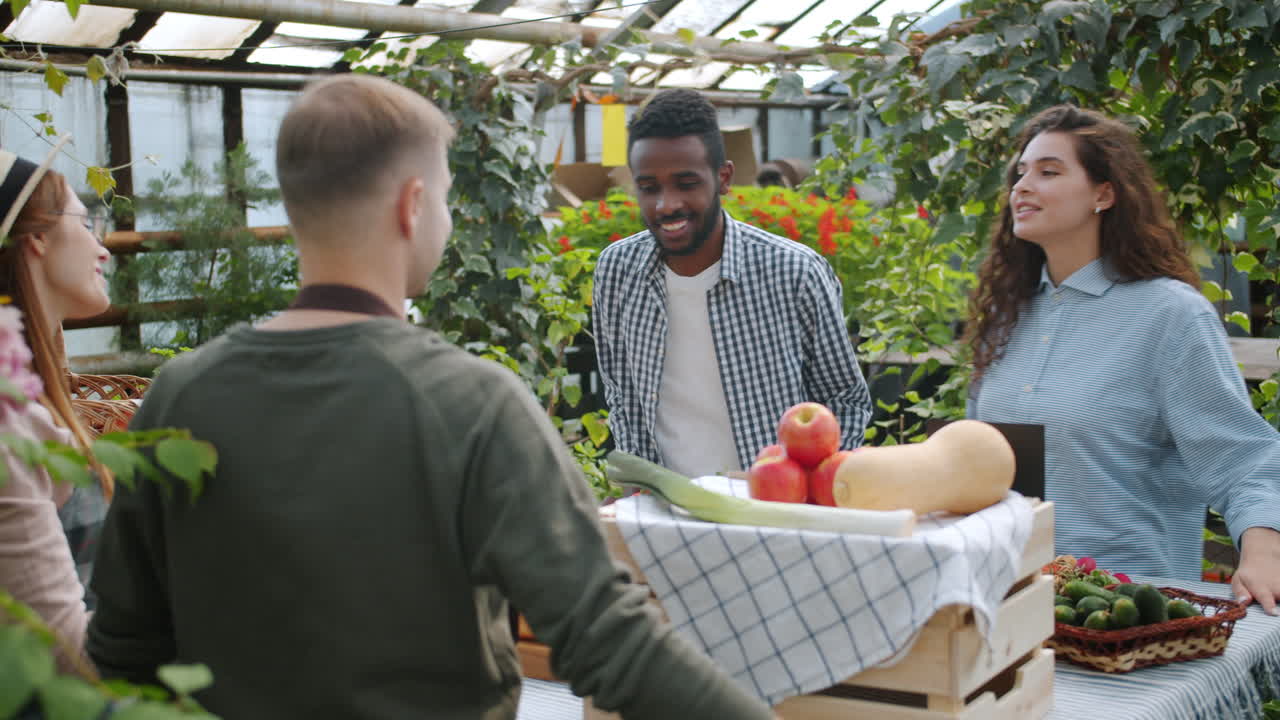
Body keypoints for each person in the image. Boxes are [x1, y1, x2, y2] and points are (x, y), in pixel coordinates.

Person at [86, 74, 775, 719]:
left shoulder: (180, 397)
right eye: (444, 197)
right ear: (413, 205)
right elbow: (612, 644)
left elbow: (122, 646)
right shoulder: (472, 406)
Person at [965, 105, 1280, 614]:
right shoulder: (1009, 316)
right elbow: (976, 466)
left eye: (1048, 171)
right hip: (1009, 605)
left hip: (1124, 616)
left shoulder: (1169, 315)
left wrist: (1265, 551)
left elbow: (1245, 458)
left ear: (1104, 193)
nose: (1022, 186)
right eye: (1019, 173)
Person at [592, 89, 871, 478]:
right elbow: (623, 397)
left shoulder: (794, 272)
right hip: (667, 509)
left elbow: (846, 401)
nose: (666, 204)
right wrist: (639, 489)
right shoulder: (617, 271)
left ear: (723, 178)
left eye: (686, 183)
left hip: (772, 509)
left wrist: (806, 494)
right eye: (649, 187)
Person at [0, 141, 113, 672]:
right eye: (86, 224)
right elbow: (65, 651)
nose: (103, 248)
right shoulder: (9, 422)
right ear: (38, 237)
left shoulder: (35, 387)